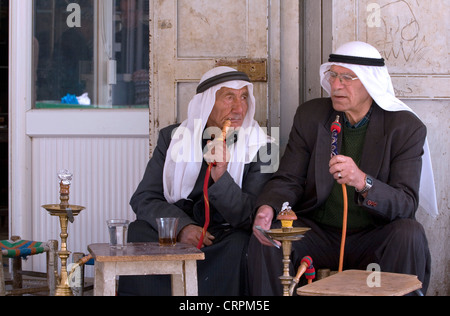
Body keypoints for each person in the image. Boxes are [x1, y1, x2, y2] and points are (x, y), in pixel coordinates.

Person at [248, 41, 436, 296]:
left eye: (347, 77)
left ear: (371, 82)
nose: (336, 85)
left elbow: (405, 203)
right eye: (333, 75)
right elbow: (288, 179)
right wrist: (267, 207)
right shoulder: (311, 116)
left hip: (374, 235)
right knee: (268, 237)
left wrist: (362, 181)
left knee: (409, 234)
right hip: (319, 232)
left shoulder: (404, 128)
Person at [118, 66, 275, 296]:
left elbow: (252, 215)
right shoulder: (171, 138)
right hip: (178, 228)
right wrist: (181, 227)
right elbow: (143, 198)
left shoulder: (266, 147)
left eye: (243, 97)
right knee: (139, 231)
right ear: (207, 102)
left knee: (240, 244)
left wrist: (221, 175)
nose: (239, 107)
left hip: (225, 233)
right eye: (229, 97)